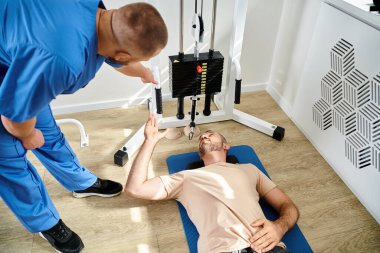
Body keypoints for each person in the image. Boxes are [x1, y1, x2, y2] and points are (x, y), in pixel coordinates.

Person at [0, 1, 168, 252]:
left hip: (20, 59)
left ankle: (79, 182)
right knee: (10, 162)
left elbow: (113, 52)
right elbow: (13, 118)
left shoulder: (97, 12)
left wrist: (142, 71)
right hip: (14, 74)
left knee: (49, 135)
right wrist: (27, 134)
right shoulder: (62, 60)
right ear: (123, 54)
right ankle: (46, 222)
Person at [125, 114, 299, 253]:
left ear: (226, 146)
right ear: (200, 155)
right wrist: (150, 141)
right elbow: (135, 188)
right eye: (202, 137)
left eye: (210, 134)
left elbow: (287, 205)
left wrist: (279, 227)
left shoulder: (249, 169)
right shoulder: (186, 177)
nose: (204, 136)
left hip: (267, 248)